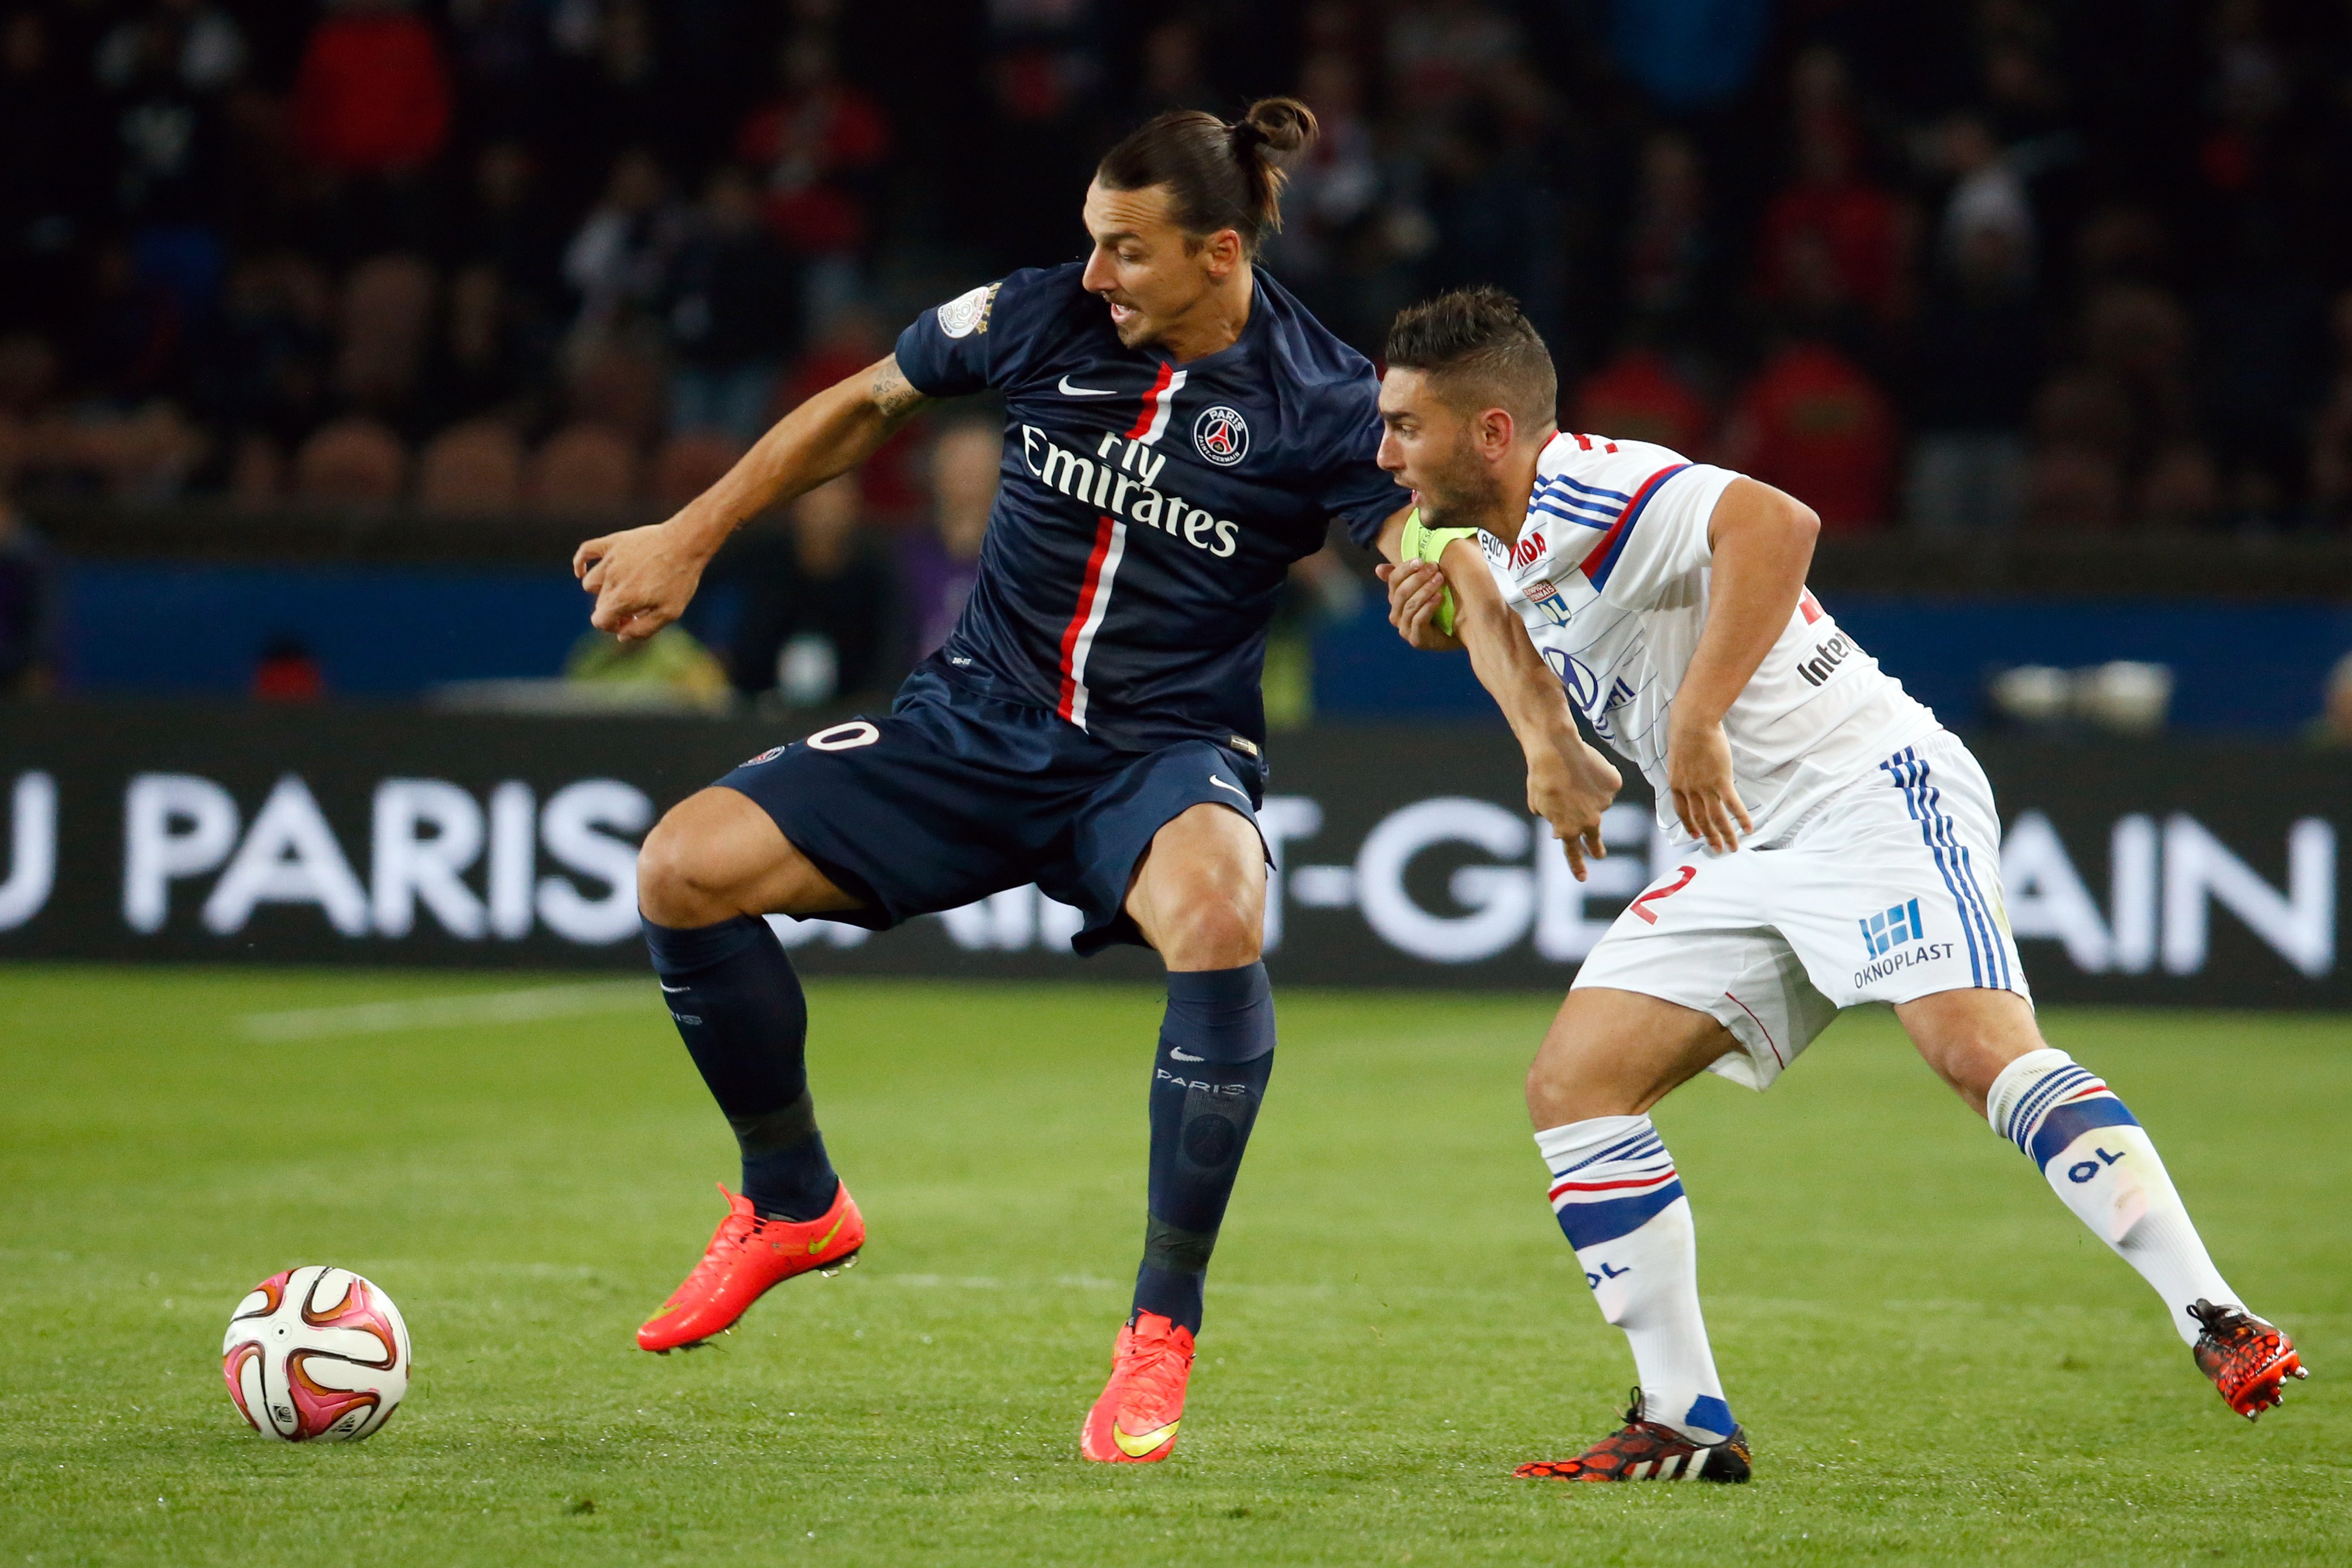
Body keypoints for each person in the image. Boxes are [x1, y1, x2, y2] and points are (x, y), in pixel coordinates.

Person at [573, 100, 1426, 1465]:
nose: (1095, 272)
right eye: (1092, 241)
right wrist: (692, 533)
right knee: (682, 867)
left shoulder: (1324, 399)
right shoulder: (1041, 315)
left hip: (1159, 753)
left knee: (1220, 915)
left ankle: (1160, 1329)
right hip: (970, 723)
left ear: (1219, 253)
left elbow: (1417, 549)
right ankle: (792, 1201)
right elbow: (867, 404)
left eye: (1127, 250)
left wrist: (1433, 585)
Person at [1372, 286, 2304, 1483]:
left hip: (1866, 792)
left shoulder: (1592, 483)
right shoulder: (1481, 527)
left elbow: (1777, 523)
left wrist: (1697, 718)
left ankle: (2216, 1315)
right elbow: (1468, 581)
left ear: (1493, 432)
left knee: (1976, 1051)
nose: (1387, 452)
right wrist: (1520, 706)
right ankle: (1686, 1421)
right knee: (1577, 1087)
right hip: (1736, 843)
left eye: (1406, 427)